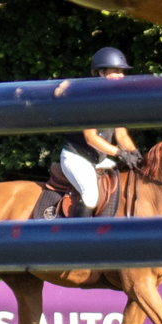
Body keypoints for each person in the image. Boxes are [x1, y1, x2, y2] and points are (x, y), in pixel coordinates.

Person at [52, 46, 142, 213]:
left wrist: (133, 151)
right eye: (116, 71)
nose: (121, 76)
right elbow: (91, 138)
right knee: (91, 196)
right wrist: (119, 153)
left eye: (122, 72)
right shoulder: (88, 98)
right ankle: (81, 230)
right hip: (76, 157)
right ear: (101, 72)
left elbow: (121, 134)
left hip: (98, 159)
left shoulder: (117, 99)